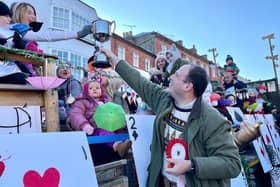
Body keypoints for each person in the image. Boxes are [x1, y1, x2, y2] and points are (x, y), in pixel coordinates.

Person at [102, 48, 241, 187]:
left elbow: (232, 164)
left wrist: (191, 165)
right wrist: (114, 59)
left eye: (177, 74)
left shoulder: (213, 120)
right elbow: (140, 82)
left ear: (187, 86)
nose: (170, 77)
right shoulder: (165, 101)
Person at [10, 2, 94, 76]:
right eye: (29, 13)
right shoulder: (17, 29)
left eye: (34, 14)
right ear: (19, 14)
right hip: (16, 73)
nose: (34, 16)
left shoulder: (25, 33)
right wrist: (78, 33)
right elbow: (48, 35)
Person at [69, 79, 131, 165]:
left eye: (97, 88)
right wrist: (84, 125)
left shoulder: (107, 101)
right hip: (93, 128)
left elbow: (116, 113)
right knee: (103, 132)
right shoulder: (82, 102)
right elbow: (76, 114)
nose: (94, 89)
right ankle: (117, 146)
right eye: (91, 88)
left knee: (121, 131)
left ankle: (125, 145)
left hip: (109, 125)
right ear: (86, 91)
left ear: (101, 90)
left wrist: (121, 122)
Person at [0, 1, 27, 84]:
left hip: (7, 71)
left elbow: (19, 53)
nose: (10, 19)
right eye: (6, 16)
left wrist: (19, 44)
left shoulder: (11, 32)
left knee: (22, 79)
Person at [56, 63, 82, 131]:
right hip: (56, 116)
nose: (65, 69)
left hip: (68, 118)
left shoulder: (73, 82)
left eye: (67, 68)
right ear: (57, 71)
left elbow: (75, 97)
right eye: (62, 67)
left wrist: (68, 100)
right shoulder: (55, 83)